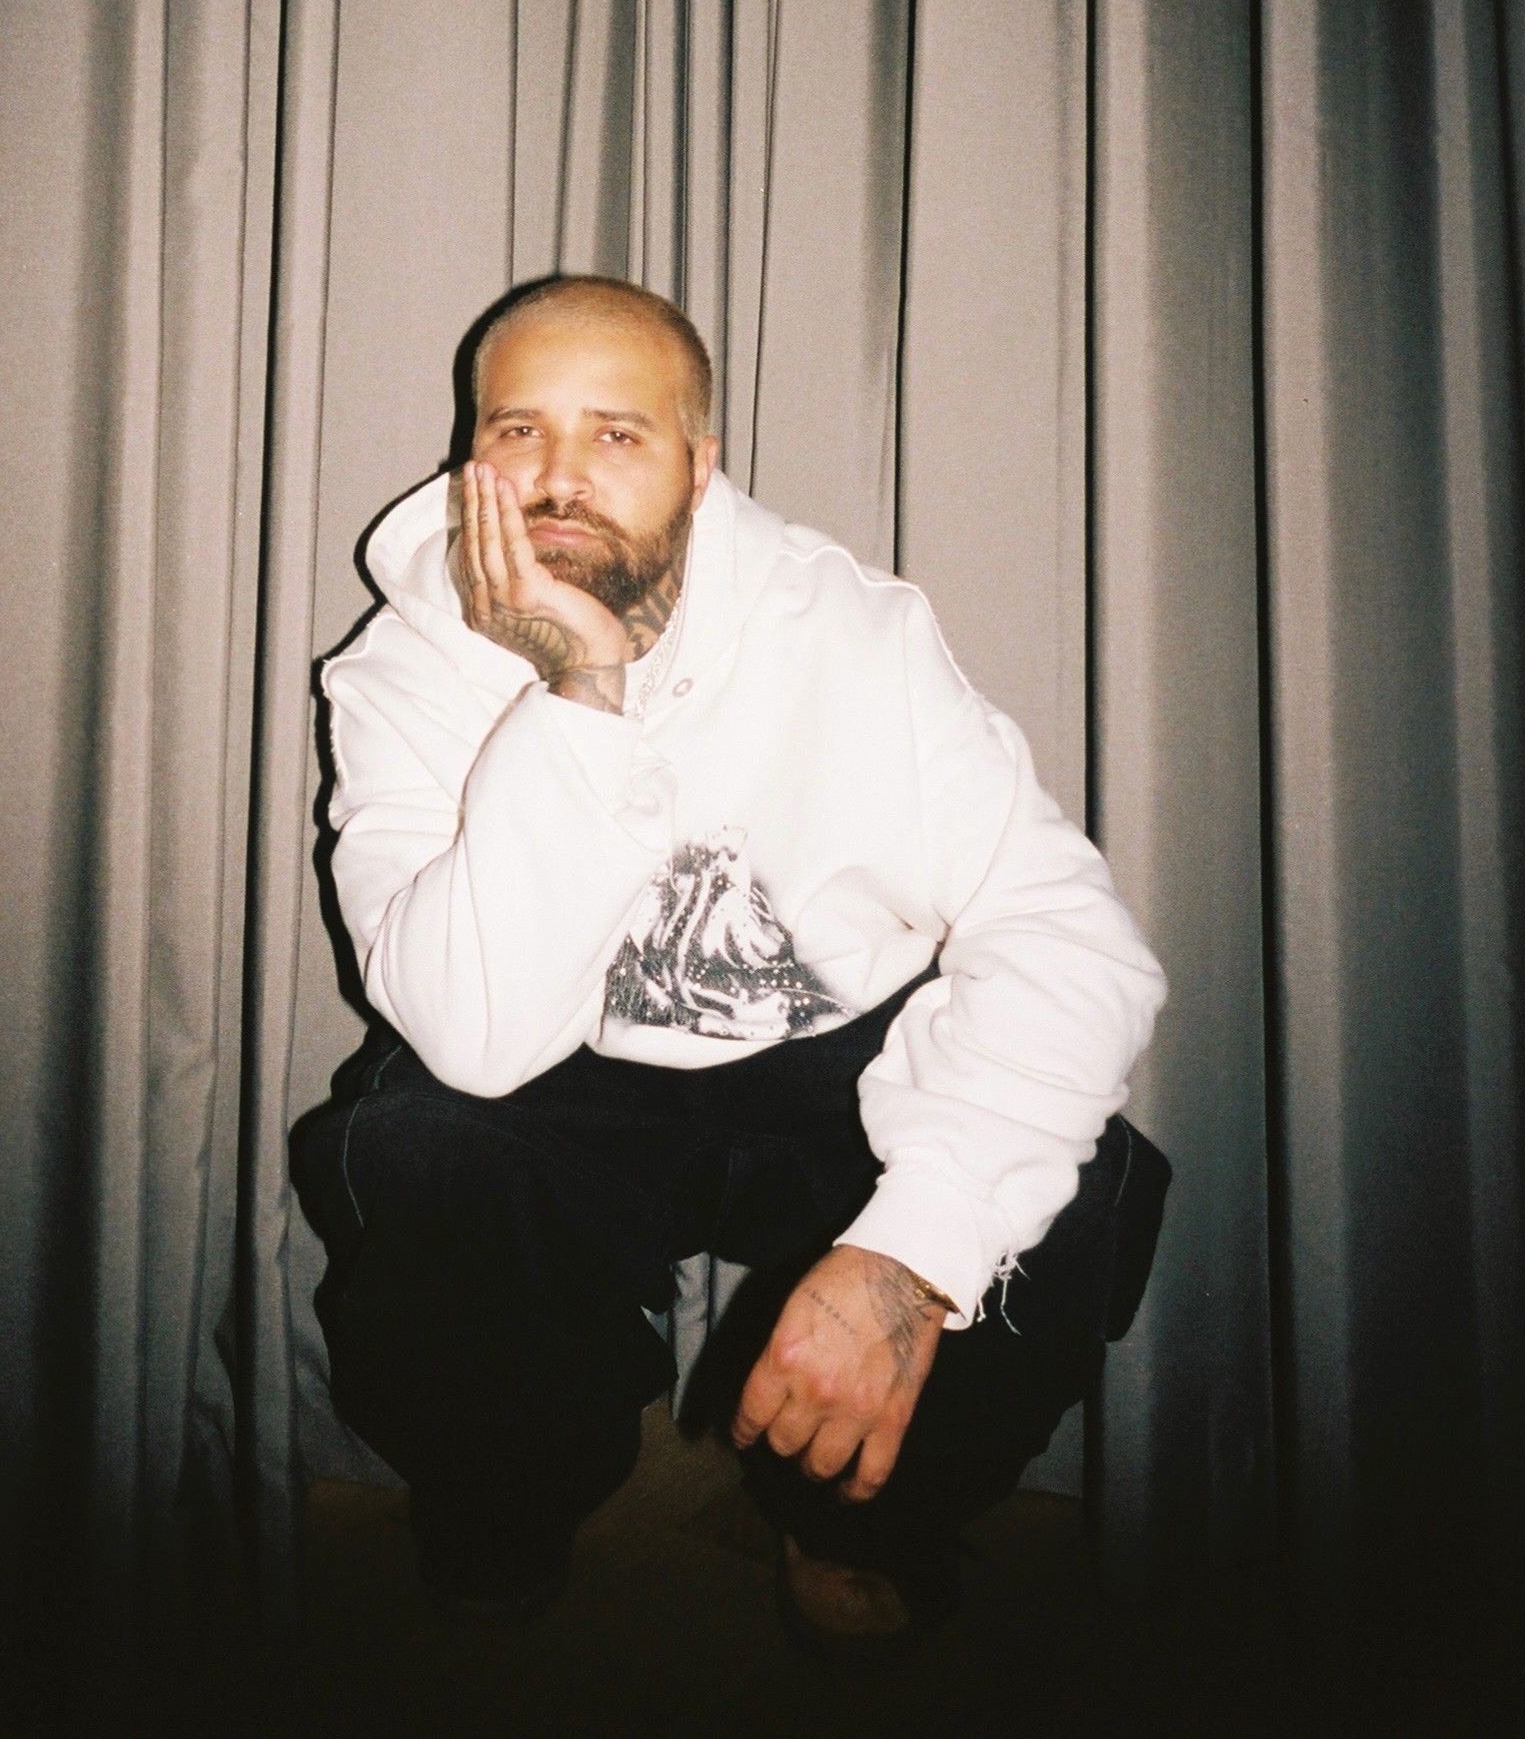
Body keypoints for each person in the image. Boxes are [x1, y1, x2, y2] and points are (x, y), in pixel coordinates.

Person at [292, 275, 1170, 1659]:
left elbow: (1068, 939)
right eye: (517, 431)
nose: (558, 479)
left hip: (825, 1049)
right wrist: (579, 693)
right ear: (473, 456)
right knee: (417, 1150)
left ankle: (858, 1518)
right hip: (551, 1050)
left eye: (617, 436)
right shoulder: (401, 668)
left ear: (701, 470)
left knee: (1069, 1194)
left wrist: (909, 1260)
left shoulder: (855, 633)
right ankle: (506, 1505)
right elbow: (470, 1036)